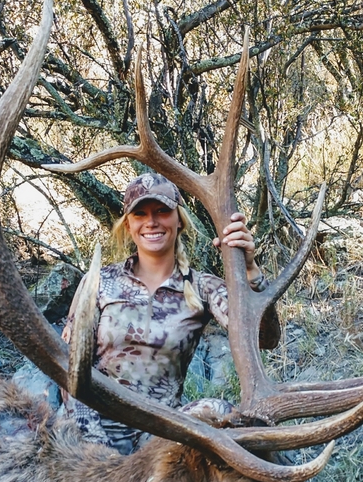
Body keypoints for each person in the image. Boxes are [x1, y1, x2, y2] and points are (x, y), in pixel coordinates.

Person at [62, 171, 280, 454]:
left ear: (179, 221)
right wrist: (96, 446)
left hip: (161, 431)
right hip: (91, 426)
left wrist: (251, 271)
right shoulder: (100, 281)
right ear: (128, 224)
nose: (152, 221)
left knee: (219, 410)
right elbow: (69, 367)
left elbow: (264, 338)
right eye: (140, 213)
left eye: (162, 211)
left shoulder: (202, 287)